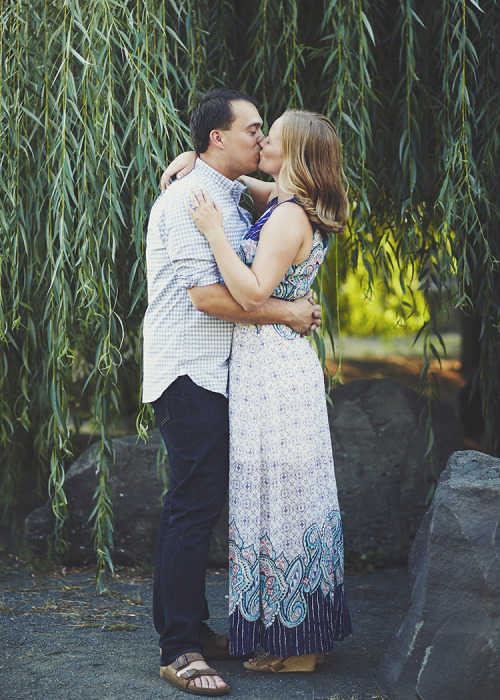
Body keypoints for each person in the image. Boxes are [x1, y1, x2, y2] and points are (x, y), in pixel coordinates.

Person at [142, 90, 322, 697]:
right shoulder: (189, 200)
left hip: (223, 373)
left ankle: (191, 628)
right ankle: (180, 650)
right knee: (193, 504)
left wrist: (188, 156)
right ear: (219, 138)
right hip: (190, 372)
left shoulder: (230, 194)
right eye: (252, 130)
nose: (261, 140)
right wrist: (289, 311)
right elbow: (209, 297)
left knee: (203, 502)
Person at [168, 108, 353, 675]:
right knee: (286, 495)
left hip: (270, 364)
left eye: (272, 136)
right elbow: (257, 183)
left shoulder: (286, 219)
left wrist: (215, 232)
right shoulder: (294, 203)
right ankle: (295, 637)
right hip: (274, 359)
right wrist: (193, 161)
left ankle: (299, 647)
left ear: (293, 154)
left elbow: (249, 294)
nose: (263, 140)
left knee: (283, 498)